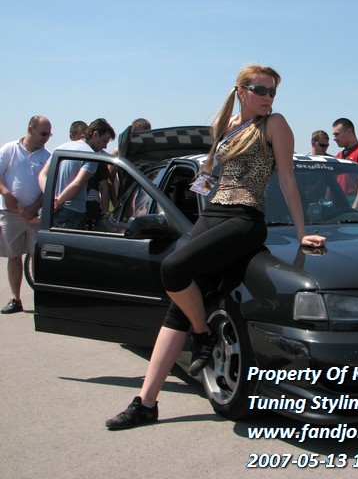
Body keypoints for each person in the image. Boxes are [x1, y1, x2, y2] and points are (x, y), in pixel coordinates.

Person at [105, 64, 326, 430]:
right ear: (241, 91)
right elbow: (211, 176)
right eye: (261, 90)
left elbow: (287, 179)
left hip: (245, 219)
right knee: (177, 309)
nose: (268, 97)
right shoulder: (226, 126)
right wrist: (192, 203)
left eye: (273, 91)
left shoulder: (274, 124)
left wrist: (302, 233)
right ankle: (145, 403)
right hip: (213, 215)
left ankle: (202, 333)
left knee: (173, 268)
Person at [0, 116, 52, 314]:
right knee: (14, 256)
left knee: (37, 256)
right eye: (43, 134)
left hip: (35, 216)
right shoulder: (9, 149)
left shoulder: (47, 156)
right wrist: (5, 192)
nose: (46, 138)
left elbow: (47, 187)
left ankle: (42, 300)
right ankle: (16, 299)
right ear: (31, 130)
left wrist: (35, 207)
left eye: (49, 135)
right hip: (10, 213)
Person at [39, 118, 116, 229]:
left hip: (52, 211)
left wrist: (51, 198)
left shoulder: (61, 148)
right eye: (104, 141)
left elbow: (42, 175)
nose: (105, 146)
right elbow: (77, 184)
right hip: (73, 212)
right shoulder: (91, 156)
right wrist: (58, 202)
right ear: (95, 134)